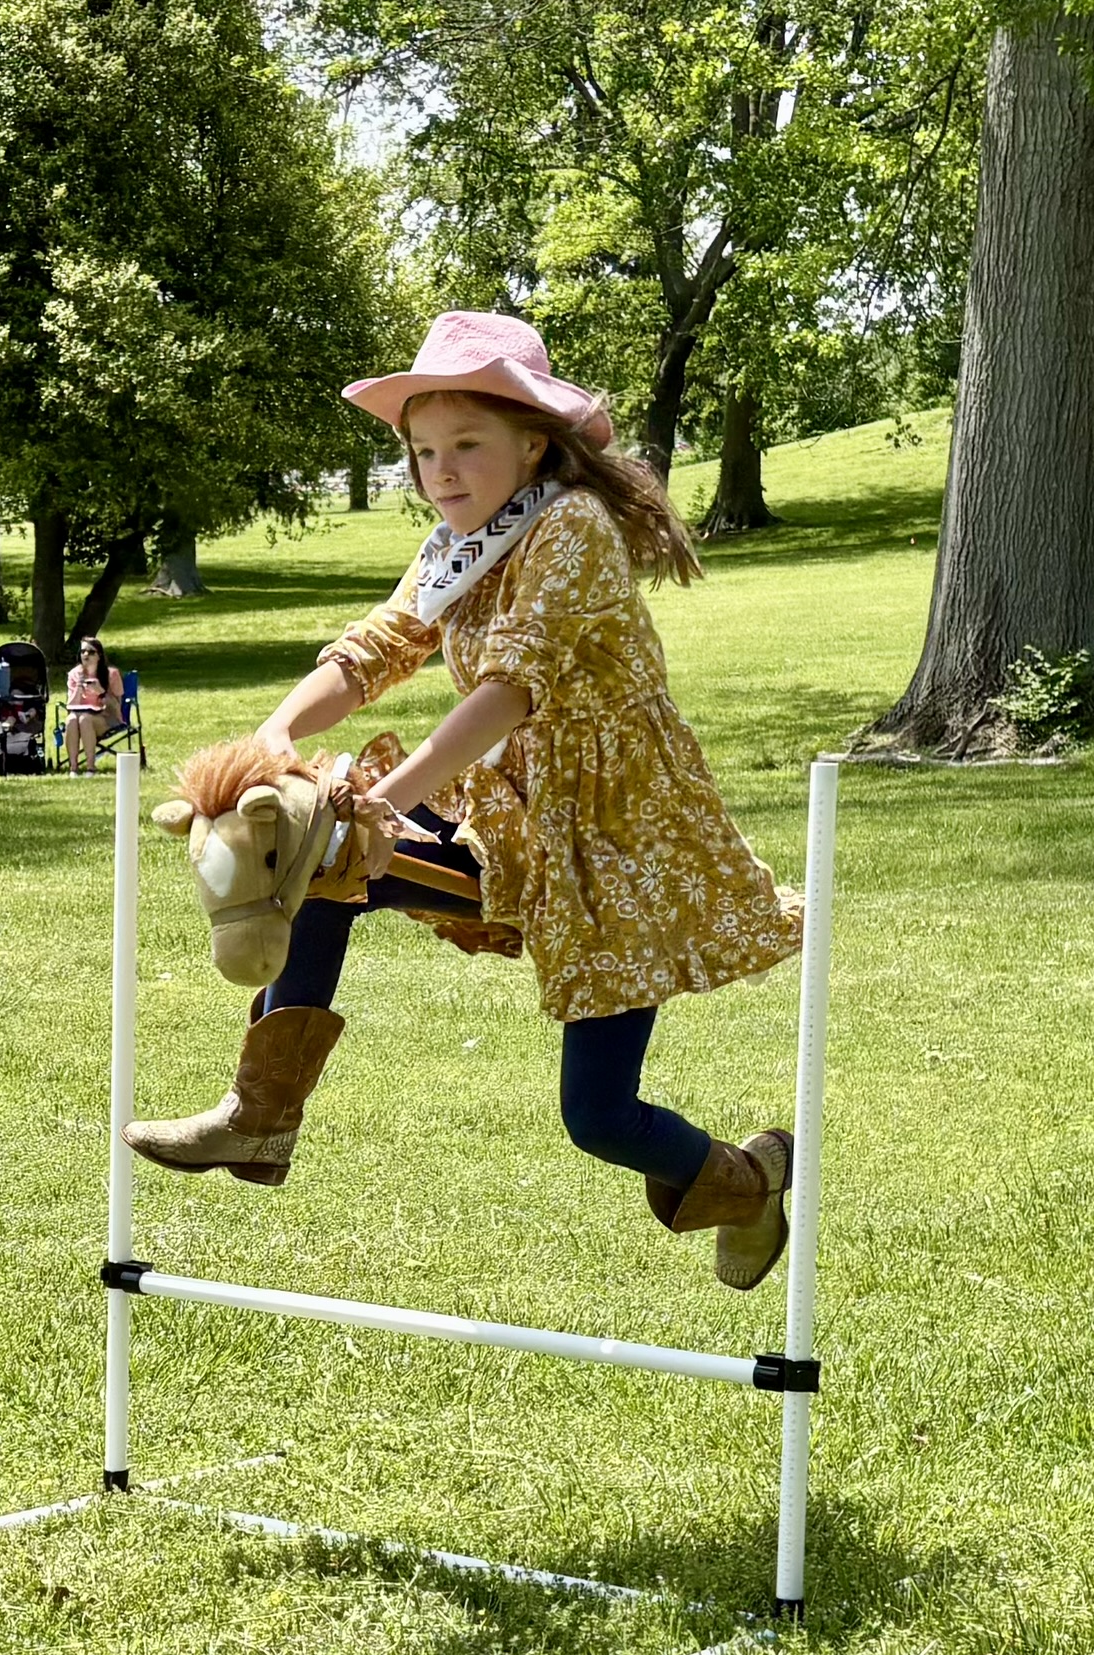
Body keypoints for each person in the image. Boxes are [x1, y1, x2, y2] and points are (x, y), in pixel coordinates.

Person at [122, 312, 804, 1289]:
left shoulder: (573, 529)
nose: (442, 470)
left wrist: (380, 801)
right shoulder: (458, 542)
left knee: (598, 1117)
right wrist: (277, 739)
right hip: (510, 814)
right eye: (424, 451)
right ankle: (260, 1116)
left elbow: (505, 695)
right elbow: (376, 651)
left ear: (535, 443)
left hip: (617, 843)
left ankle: (742, 1180)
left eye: (466, 446)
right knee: (321, 861)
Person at [63, 636, 125, 774]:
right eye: (83, 651)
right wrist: (79, 687)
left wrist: (101, 693)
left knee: (85, 719)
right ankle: (73, 768)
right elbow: (70, 705)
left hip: (107, 719)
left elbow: (116, 706)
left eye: (91, 652)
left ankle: (91, 767)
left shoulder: (111, 674)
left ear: (99, 656)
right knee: (71, 720)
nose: (86, 655)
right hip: (79, 718)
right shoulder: (74, 674)